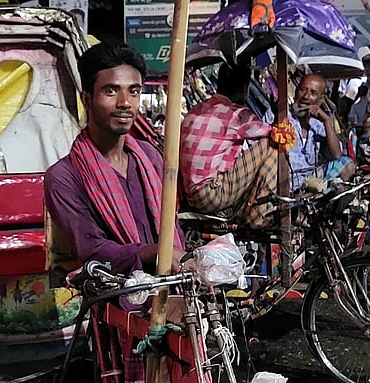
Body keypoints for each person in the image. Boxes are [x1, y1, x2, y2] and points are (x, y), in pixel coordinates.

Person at [44, 41, 184, 275]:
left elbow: (172, 224)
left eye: (134, 91)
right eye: (111, 91)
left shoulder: (150, 156)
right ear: (86, 99)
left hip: (169, 290)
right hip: (113, 299)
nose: (125, 103)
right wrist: (154, 252)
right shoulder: (63, 177)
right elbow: (93, 252)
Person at [179, 61, 278, 229]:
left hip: (190, 194)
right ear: (245, 88)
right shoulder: (236, 114)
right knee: (274, 145)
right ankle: (258, 216)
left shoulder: (195, 109)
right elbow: (272, 133)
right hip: (211, 194)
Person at [264, 73, 355, 190]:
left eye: (313, 93)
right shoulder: (278, 115)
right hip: (283, 181)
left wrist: (327, 121)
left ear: (321, 99)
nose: (305, 96)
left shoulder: (318, 124)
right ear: (296, 91)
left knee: (347, 164)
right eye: (302, 90)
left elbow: (336, 154)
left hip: (309, 180)